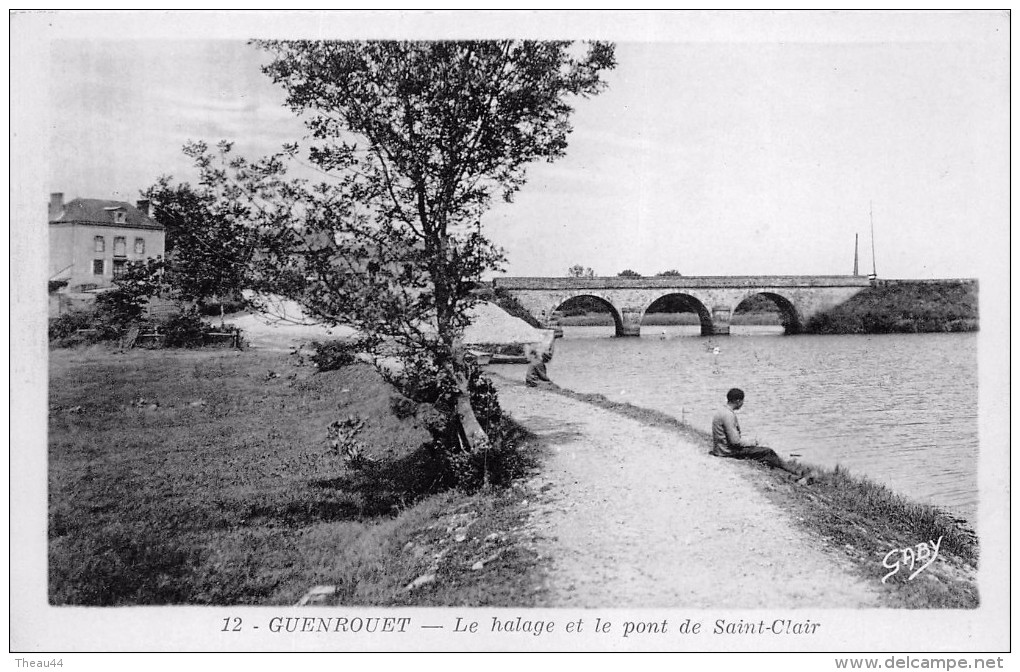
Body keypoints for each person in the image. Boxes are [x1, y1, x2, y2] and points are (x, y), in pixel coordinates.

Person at [710, 388, 808, 480]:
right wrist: (753, 443)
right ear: (738, 401)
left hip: (720, 449)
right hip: (727, 452)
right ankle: (795, 472)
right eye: (742, 401)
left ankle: (790, 472)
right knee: (768, 452)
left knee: (764, 453)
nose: (743, 404)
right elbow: (735, 442)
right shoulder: (728, 416)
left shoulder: (721, 411)